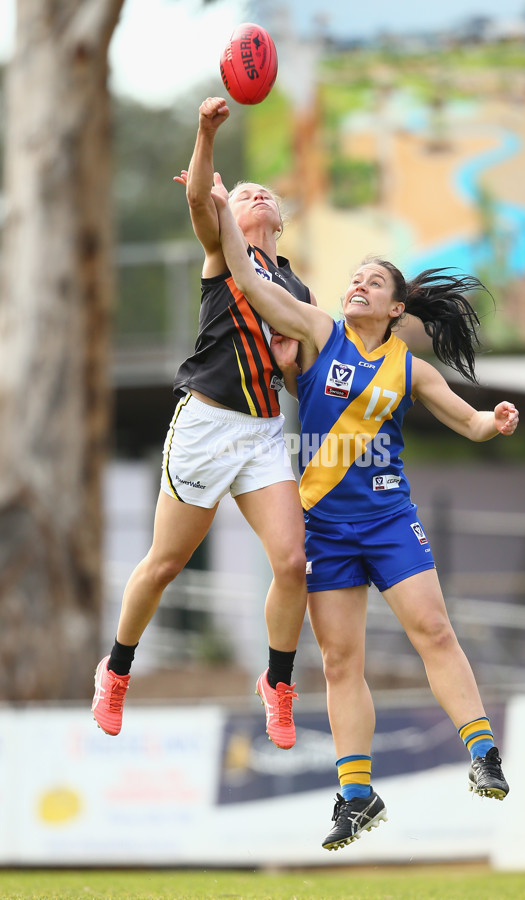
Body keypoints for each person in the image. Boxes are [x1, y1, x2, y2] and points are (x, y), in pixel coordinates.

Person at [210, 173, 519, 851]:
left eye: (371, 283)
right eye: (353, 278)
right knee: (343, 662)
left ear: (395, 306)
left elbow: (467, 424)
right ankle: (356, 795)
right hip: (324, 529)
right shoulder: (318, 332)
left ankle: (483, 752)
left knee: (433, 632)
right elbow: (245, 278)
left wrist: (492, 421)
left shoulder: (410, 369)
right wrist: (218, 212)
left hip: (388, 521)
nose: (356, 286)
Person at [92, 97, 315, 750]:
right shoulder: (224, 254)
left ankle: (276, 683)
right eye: (245, 193)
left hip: (264, 434)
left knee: (293, 562)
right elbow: (197, 204)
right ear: (230, 212)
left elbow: (300, 377)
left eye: (265, 191)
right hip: (206, 427)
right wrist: (205, 134)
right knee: (164, 564)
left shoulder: (297, 289)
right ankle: (118, 669)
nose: (261, 194)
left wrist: (291, 362)